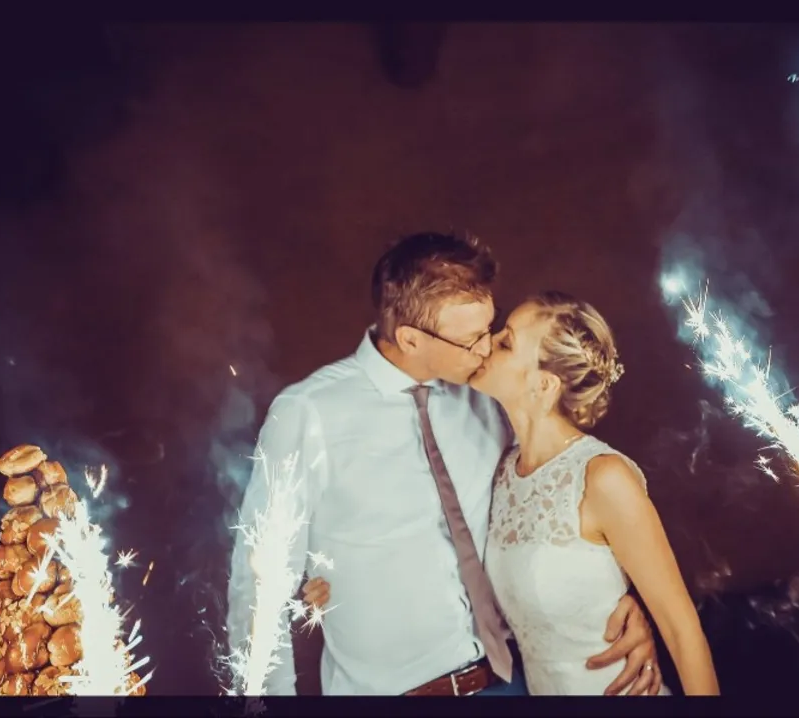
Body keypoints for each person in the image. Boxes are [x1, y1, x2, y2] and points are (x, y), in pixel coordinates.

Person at [226, 232, 663, 697]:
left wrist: (616, 601)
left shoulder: (489, 397)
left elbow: (563, 495)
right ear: (410, 339)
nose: (487, 348)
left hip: (514, 682)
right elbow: (258, 590)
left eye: (490, 328)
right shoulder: (308, 414)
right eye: (471, 340)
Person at [467, 290, 719, 695]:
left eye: (506, 342)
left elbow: (680, 627)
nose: (486, 344)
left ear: (544, 385)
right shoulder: (503, 472)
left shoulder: (603, 477)